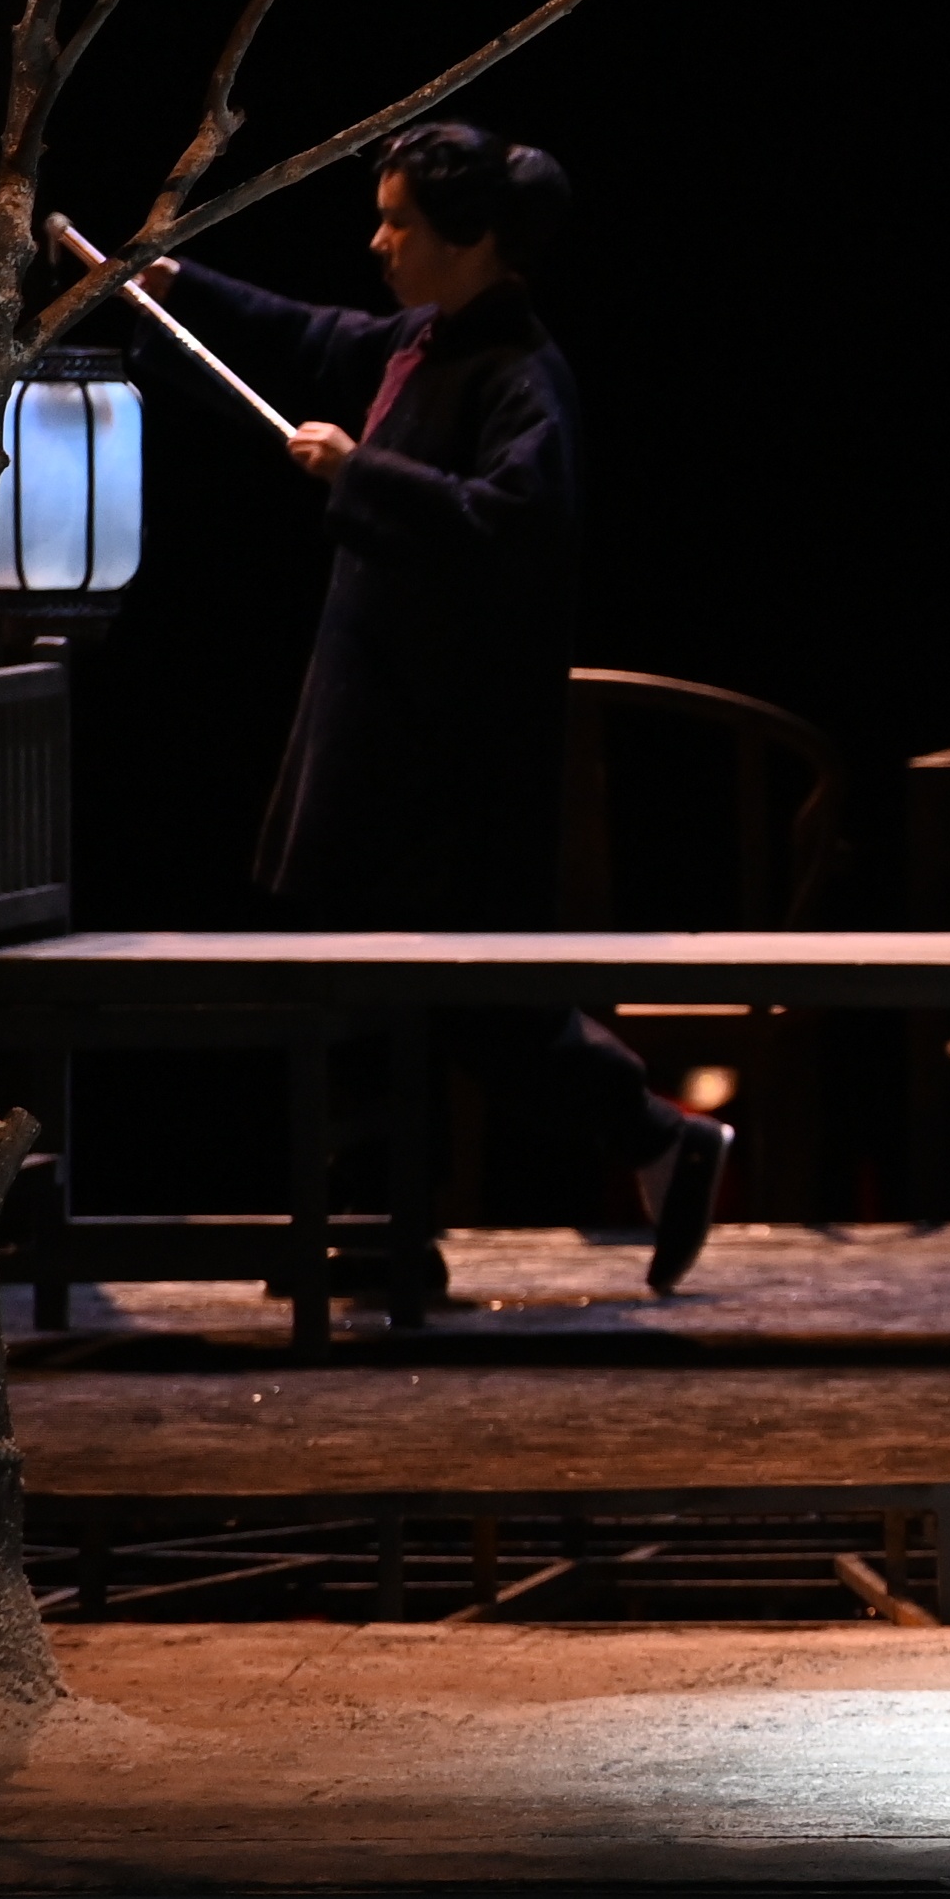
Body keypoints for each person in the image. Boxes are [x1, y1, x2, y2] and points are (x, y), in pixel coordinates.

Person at [145, 123, 730, 1290]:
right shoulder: (424, 341)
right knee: (392, 999)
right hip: (383, 733)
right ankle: (394, 1231)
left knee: (461, 1006)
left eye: (400, 222)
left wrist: (358, 472)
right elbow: (308, 334)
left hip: (443, 758)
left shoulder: (519, 376)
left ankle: (594, 1158)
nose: (380, 242)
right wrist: (179, 286)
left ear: (468, 239)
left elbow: (513, 526)